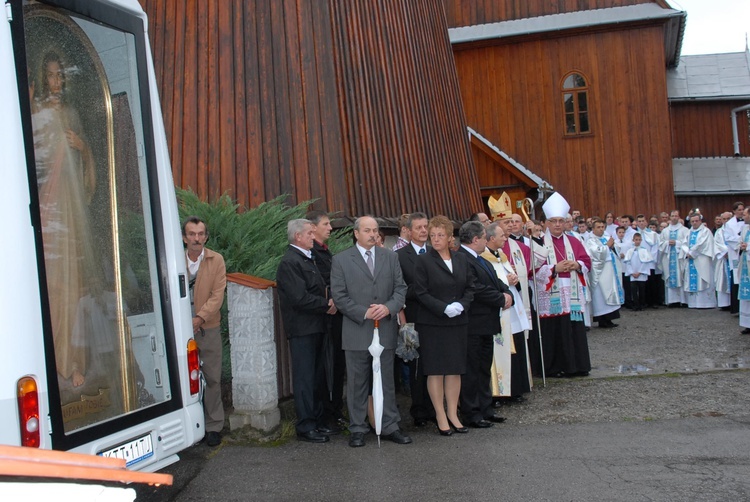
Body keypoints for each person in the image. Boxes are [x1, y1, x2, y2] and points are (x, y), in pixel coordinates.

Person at [32, 51, 98, 388]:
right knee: (53, 281)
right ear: (43, 79)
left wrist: (82, 146)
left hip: (71, 208)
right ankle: (54, 359)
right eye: (51, 76)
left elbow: (89, 168)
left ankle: (75, 362)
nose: (56, 82)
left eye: (60, 76)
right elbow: (32, 159)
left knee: (75, 284)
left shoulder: (70, 112)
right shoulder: (38, 114)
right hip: (49, 207)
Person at [330, 216, 410, 447]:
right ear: (356, 233)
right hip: (357, 329)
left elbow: (400, 289)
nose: (373, 234)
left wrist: (388, 308)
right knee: (357, 382)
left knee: (386, 380)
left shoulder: (390, 257)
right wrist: (364, 312)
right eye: (367, 230)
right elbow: (340, 295)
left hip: (384, 328)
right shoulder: (342, 260)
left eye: (375, 230)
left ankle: (390, 426)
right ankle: (357, 428)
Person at [276, 219, 339, 443]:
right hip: (303, 329)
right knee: (304, 378)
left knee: (317, 378)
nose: (314, 237)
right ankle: (306, 426)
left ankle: (318, 421)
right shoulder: (290, 262)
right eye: (310, 234)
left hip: (317, 326)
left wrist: (330, 301)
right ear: (298, 237)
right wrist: (327, 305)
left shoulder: (307, 258)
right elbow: (299, 298)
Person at [413, 216, 475, 434]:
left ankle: (453, 414)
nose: (436, 239)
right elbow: (420, 292)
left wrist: (461, 305)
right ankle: (440, 414)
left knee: (454, 370)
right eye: (433, 236)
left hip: (458, 321)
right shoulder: (423, 261)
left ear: (450, 237)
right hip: (433, 323)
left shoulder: (461, 260)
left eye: (440, 235)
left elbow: (470, 287)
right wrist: (442, 308)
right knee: (436, 371)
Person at [457, 221, 511, 430]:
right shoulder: (461, 258)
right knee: (471, 369)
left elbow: (497, 281)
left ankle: (485, 408)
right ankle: (471, 412)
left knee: (483, 368)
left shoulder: (482, 259)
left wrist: (506, 294)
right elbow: (476, 288)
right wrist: (500, 298)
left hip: (486, 323)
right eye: (483, 237)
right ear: (475, 239)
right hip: (473, 323)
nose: (487, 240)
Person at [533, 192, 592, 378]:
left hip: (572, 292)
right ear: (546, 223)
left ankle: (576, 366)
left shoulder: (574, 241)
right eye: (553, 221)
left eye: (560, 220)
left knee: (573, 329)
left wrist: (577, 265)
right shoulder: (538, 243)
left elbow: (587, 261)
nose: (557, 224)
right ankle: (554, 367)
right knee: (554, 330)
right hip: (551, 293)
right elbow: (532, 270)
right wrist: (554, 268)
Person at [183, 216, 227, 447]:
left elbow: (217, 294)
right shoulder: (173, 259)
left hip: (207, 327)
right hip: (180, 330)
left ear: (206, 237)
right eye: (191, 234)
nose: (196, 239)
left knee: (211, 378)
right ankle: (189, 427)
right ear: (184, 237)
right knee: (183, 379)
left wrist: (199, 318)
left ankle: (213, 426)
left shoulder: (216, 260)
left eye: (200, 234)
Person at [482, 222, 532, 400]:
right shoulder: (484, 258)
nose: (505, 238)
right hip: (499, 311)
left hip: (513, 308)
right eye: (502, 235)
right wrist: (506, 279)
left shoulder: (501, 255)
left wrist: (513, 278)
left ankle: (517, 389)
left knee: (517, 345)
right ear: (491, 238)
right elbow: (489, 282)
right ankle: (499, 393)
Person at [306, 210, 347, 428]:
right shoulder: (311, 254)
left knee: (337, 366)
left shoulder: (324, 252)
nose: (330, 228)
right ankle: (327, 414)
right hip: (324, 318)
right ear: (313, 229)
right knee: (327, 368)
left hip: (335, 318)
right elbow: (321, 284)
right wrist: (331, 301)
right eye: (326, 224)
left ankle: (335, 410)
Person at [395, 212, 435, 427]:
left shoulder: (434, 252)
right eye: (418, 227)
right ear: (409, 231)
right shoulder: (400, 256)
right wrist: (422, 290)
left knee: (433, 364)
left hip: (435, 318)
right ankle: (418, 410)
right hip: (413, 317)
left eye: (425, 227)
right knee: (416, 365)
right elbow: (398, 289)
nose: (423, 231)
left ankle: (433, 407)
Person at [586, 219, 623, 327]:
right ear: (593, 229)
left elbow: (617, 249)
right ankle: (602, 320)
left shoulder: (606, 238)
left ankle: (609, 319)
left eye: (602, 227)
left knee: (611, 292)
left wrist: (612, 246)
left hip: (610, 270)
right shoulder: (590, 240)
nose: (601, 229)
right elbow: (595, 252)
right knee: (601, 296)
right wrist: (607, 246)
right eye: (598, 227)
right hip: (600, 273)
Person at [682, 212, 716, 309]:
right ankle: (693, 303)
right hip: (691, 259)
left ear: (700, 221)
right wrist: (687, 252)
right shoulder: (689, 232)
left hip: (702, 259)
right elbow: (683, 244)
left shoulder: (706, 231)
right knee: (692, 279)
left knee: (702, 278)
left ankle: (706, 303)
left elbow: (703, 244)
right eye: (692, 221)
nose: (695, 223)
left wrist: (692, 253)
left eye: (697, 221)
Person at [659, 210, 689, 308]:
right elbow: (660, 244)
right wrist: (667, 243)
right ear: (670, 217)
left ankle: (683, 300)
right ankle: (672, 301)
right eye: (672, 216)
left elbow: (687, 243)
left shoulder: (684, 230)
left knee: (681, 276)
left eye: (676, 216)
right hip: (668, 258)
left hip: (679, 258)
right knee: (670, 276)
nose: (674, 217)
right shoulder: (665, 231)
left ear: (679, 217)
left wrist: (677, 243)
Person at [624, 233, 653, 311]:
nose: (637, 241)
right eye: (636, 240)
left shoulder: (644, 250)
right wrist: (632, 272)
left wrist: (640, 272)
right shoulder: (630, 251)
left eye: (639, 240)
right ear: (633, 240)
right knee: (633, 290)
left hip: (641, 274)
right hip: (633, 274)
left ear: (641, 240)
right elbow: (628, 262)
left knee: (641, 290)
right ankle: (635, 305)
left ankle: (642, 304)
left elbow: (645, 262)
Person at [635, 214, 660, 308]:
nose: (641, 223)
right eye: (639, 221)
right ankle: (642, 302)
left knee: (651, 282)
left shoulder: (652, 234)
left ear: (646, 222)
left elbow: (655, 248)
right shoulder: (634, 234)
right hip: (638, 262)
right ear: (637, 222)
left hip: (649, 262)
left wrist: (650, 259)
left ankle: (653, 302)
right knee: (641, 283)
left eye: (643, 221)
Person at [737, 207, 750, 334]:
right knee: (746, 295)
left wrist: (748, 246)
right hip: (745, 263)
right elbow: (740, 241)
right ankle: (748, 323)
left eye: (745, 214)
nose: (742, 216)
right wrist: (741, 245)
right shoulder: (745, 228)